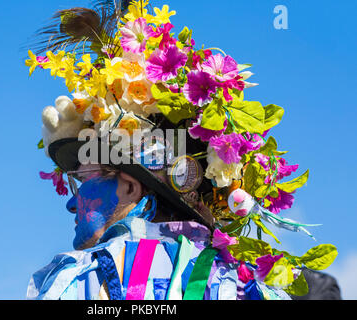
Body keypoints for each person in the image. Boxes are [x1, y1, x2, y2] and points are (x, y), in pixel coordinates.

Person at [24, 0, 339, 300]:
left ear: (131, 187)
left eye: (81, 179)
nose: (70, 203)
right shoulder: (248, 287)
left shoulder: (80, 280)